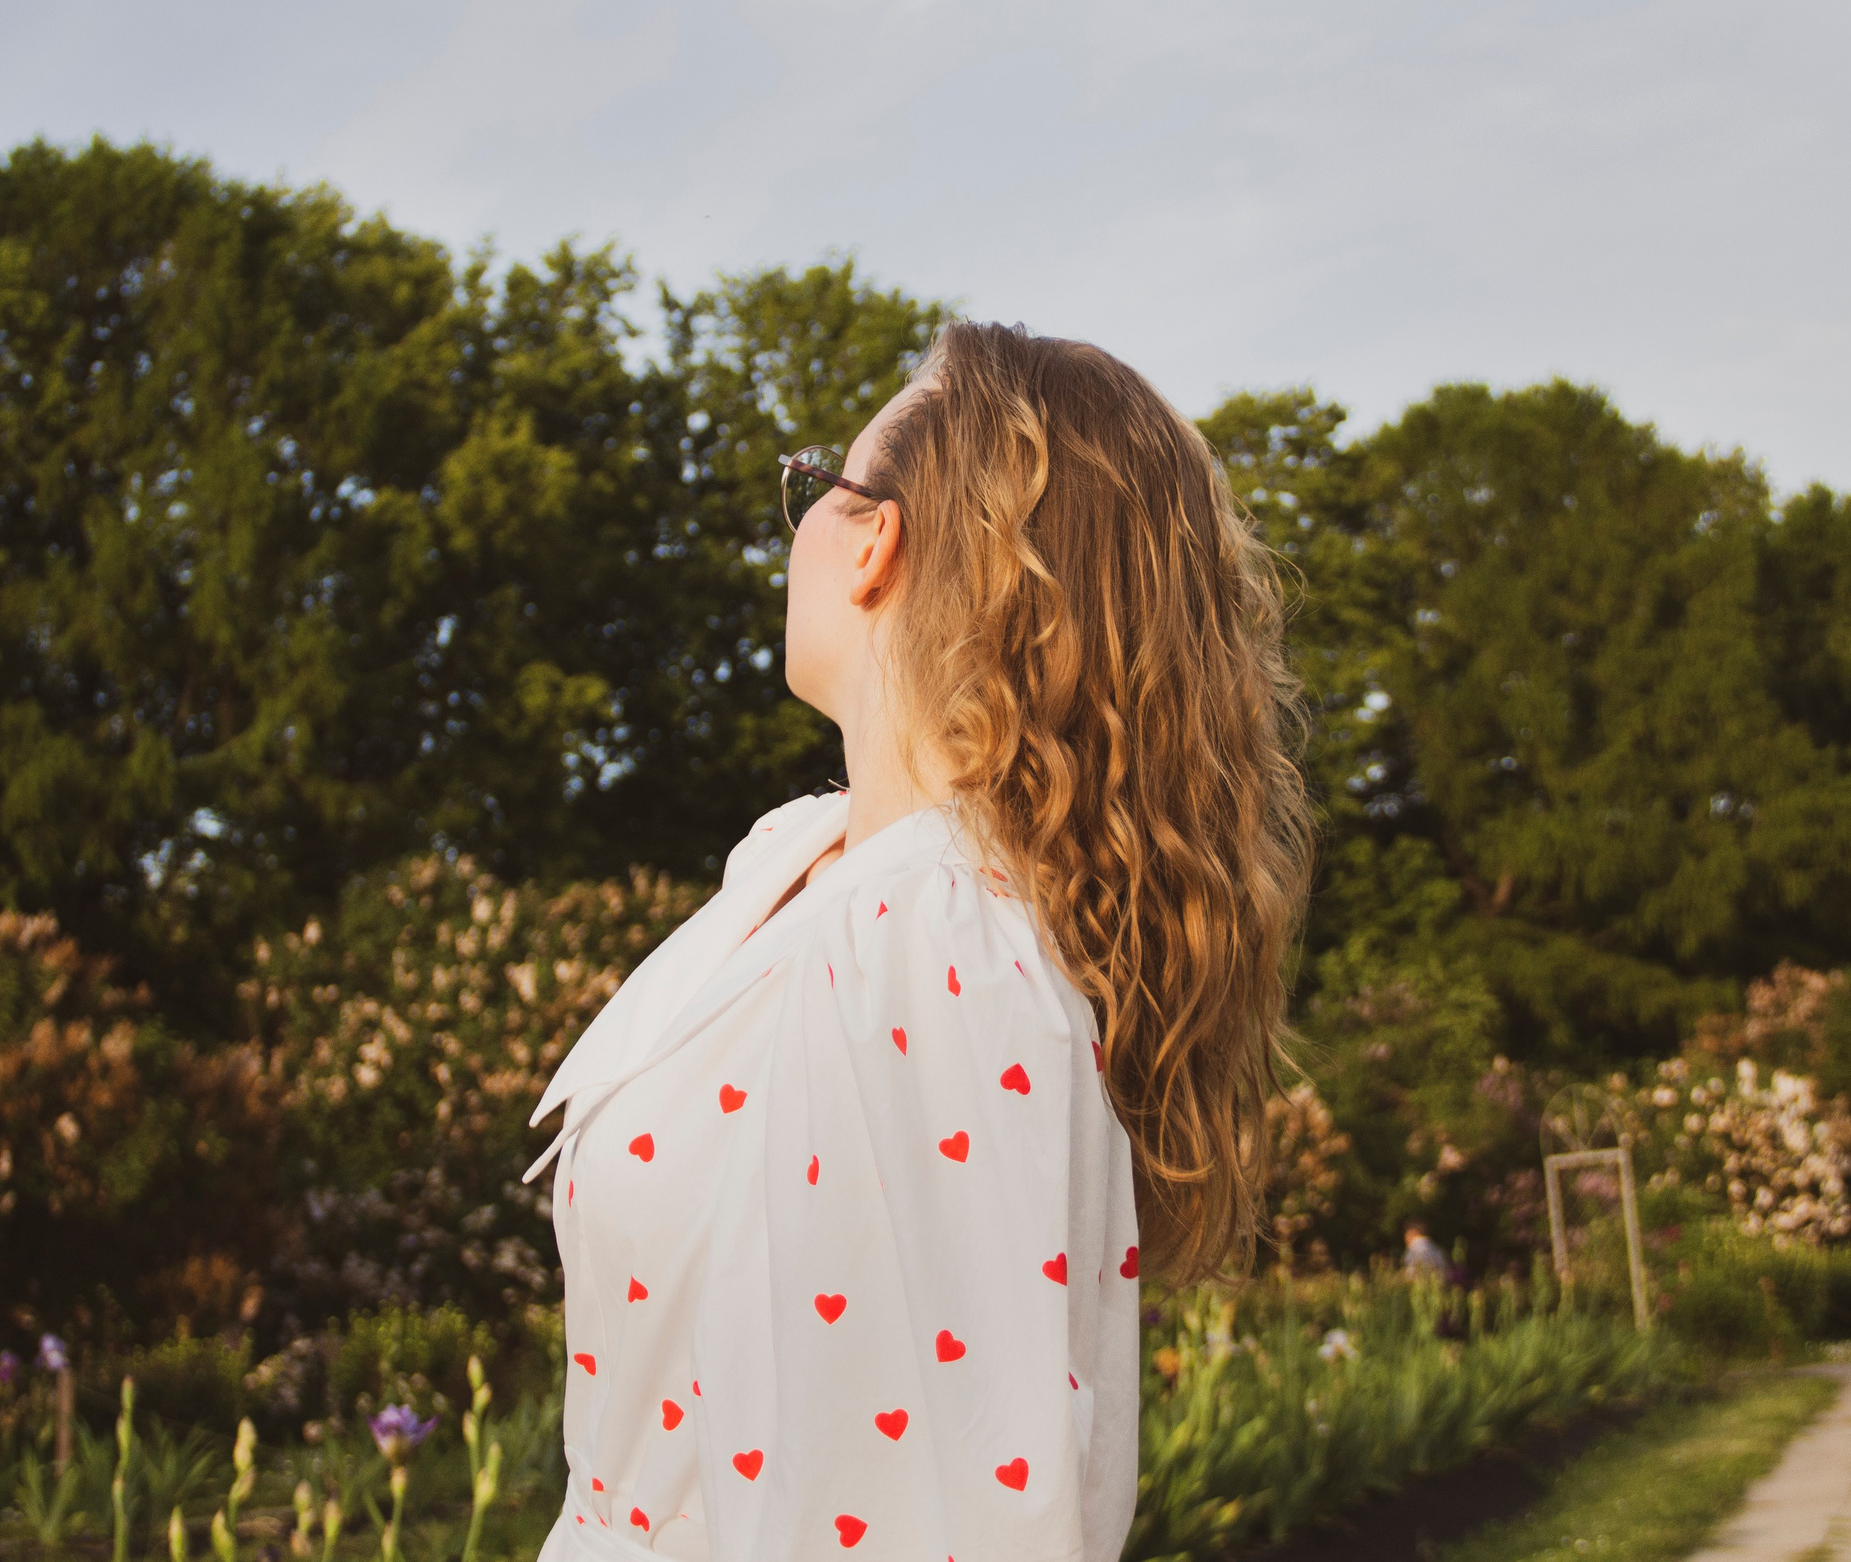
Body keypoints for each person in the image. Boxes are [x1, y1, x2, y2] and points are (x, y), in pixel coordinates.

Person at [525, 323, 1312, 1562]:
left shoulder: (931, 945)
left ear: (875, 541)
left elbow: (941, 1519)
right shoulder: (809, 865)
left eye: (815, 486)